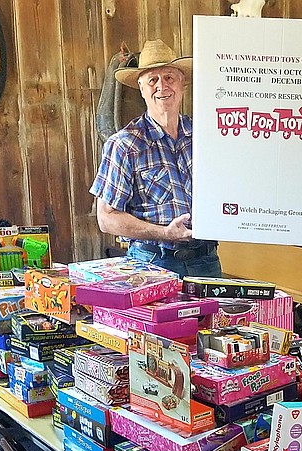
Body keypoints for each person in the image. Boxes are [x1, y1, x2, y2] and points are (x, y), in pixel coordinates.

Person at [90, 39, 222, 278]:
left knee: (211, 318)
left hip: (206, 259)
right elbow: (106, 218)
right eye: (153, 80)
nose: (162, 86)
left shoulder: (208, 138)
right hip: (152, 262)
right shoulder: (124, 145)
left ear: (182, 84)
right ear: (141, 89)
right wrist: (164, 233)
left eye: (170, 77)